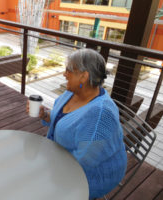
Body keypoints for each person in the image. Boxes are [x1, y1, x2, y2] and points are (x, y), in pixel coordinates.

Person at [27, 48, 127, 199]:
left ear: (83, 76)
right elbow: (61, 119)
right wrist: (45, 115)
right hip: (61, 156)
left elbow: (82, 163)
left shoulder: (99, 115)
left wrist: (46, 167)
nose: (64, 73)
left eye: (69, 70)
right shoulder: (71, 92)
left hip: (92, 175)